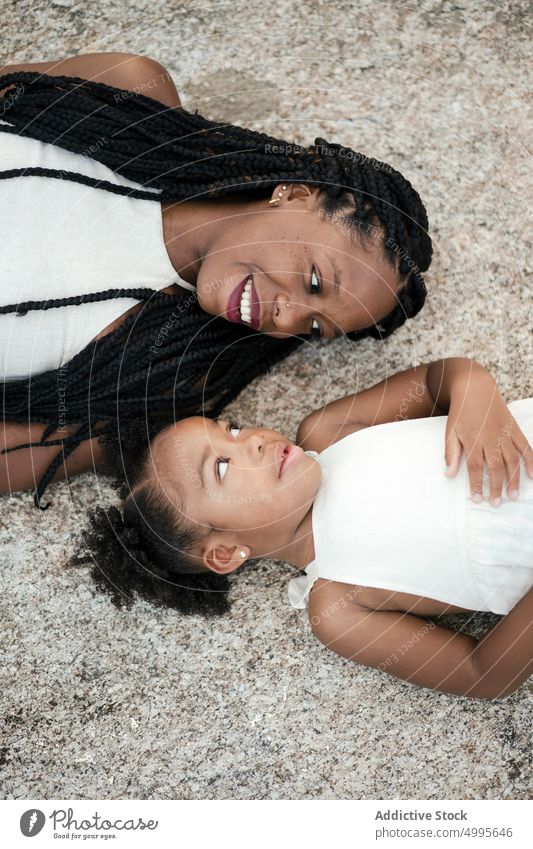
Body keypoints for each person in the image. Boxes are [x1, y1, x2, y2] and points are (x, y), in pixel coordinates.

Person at [0, 52, 431, 507]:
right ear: (295, 193)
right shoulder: (130, 94)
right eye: (315, 282)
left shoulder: (142, 379)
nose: (286, 318)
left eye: (314, 326)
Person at [76, 357, 533, 699]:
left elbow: (438, 382)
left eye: (230, 428)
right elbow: (483, 674)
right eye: (221, 467)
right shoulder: (338, 606)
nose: (252, 439)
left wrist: (473, 385)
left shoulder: (331, 430)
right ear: (224, 552)